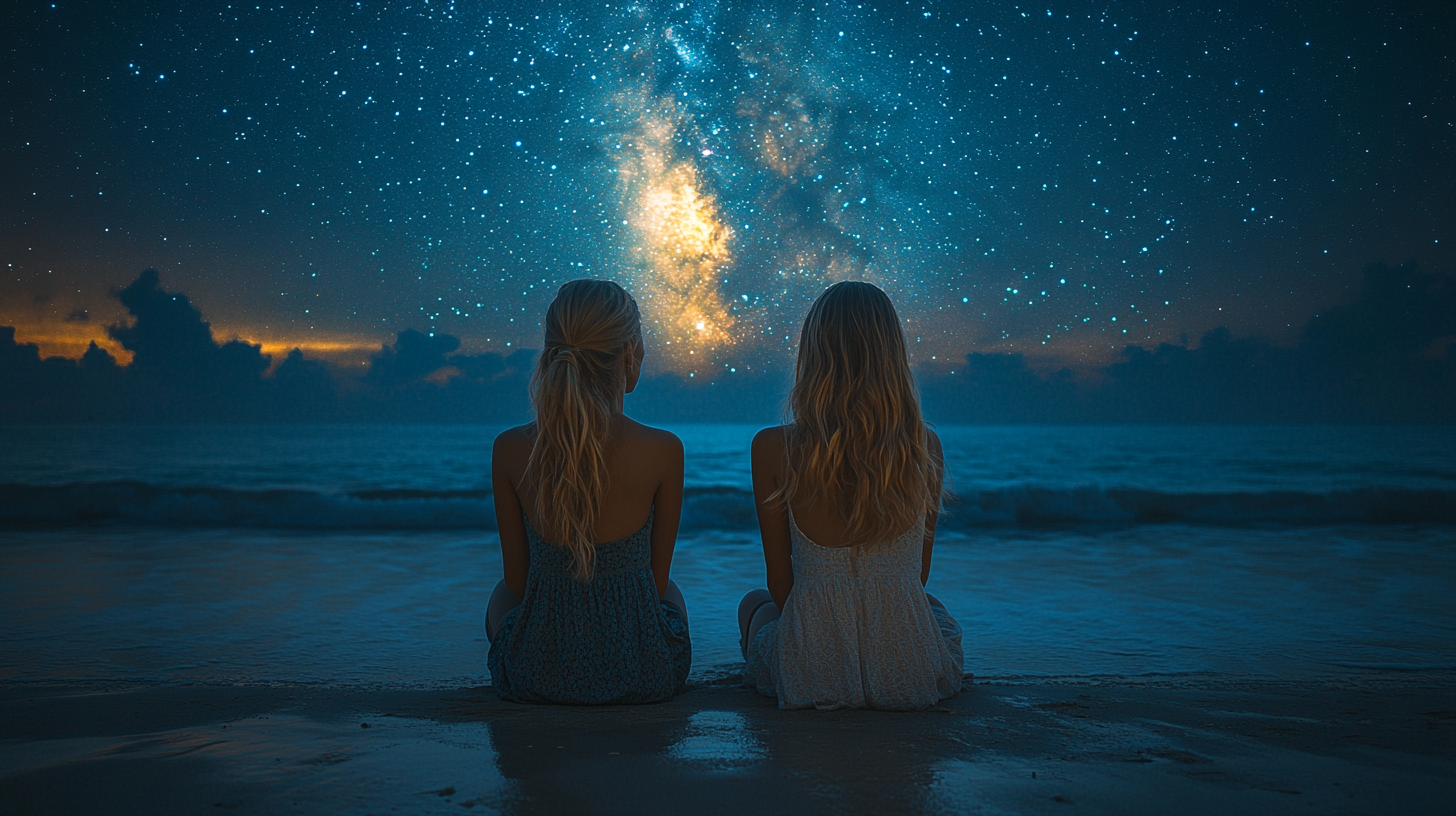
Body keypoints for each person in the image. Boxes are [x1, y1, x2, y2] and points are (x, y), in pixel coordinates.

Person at [739, 281, 963, 710]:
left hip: (815, 674)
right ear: (893, 355)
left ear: (812, 356)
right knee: (926, 605)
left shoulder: (771, 447)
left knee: (754, 605)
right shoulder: (924, 446)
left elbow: (781, 585)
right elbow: (917, 575)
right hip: (906, 668)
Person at [487, 279, 691, 704]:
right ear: (630, 354)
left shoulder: (509, 448)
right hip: (643, 672)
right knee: (672, 593)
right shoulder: (663, 449)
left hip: (538, 675)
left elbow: (517, 582)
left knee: (499, 597)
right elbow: (655, 584)